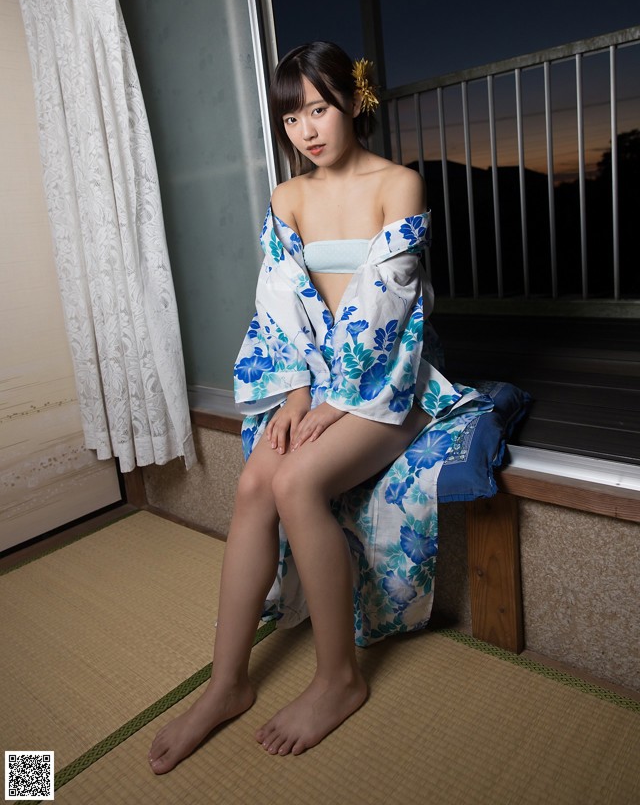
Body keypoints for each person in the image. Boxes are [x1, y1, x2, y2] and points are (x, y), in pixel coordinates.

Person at [148, 42, 489, 773]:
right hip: (321, 381)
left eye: (319, 107)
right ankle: (226, 683)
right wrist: (298, 395)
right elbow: (280, 311)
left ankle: (339, 679)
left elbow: (389, 311)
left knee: (297, 481)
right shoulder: (287, 197)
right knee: (253, 483)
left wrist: (335, 403)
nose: (305, 128)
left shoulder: (399, 184)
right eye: (290, 115)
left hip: (389, 382)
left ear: (354, 102)